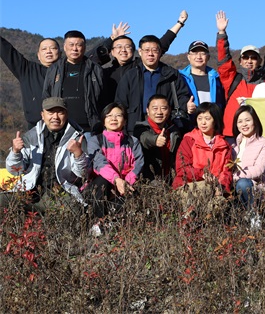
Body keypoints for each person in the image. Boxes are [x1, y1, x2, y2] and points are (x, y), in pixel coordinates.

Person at [2, 97, 87, 214]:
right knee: (2, 201)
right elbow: (15, 171)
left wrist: (78, 154)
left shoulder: (77, 137)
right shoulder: (30, 136)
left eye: (60, 112)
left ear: (66, 115)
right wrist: (15, 152)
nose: (55, 117)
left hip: (61, 194)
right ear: (42, 115)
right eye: (50, 112)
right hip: (30, 192)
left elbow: (83, 174)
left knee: (75, 211)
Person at [87, 12, 187, 108]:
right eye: (119, 47)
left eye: (127, 47)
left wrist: (179, 23)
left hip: (134, 115)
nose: (123, 50)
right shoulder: (105, 72)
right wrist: (111, 39)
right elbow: (87, 63)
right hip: (113, 116)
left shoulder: (138, 66)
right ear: (112, 51)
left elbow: (162, 44)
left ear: (135, 51)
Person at [84, 103, 144, 235]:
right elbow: (99, 163)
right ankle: (98, 221)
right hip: (100, 187)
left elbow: (138, 164)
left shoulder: (133, 142)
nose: (113, 119)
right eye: (109, 116)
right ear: (103, 120)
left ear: (125, 120)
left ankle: (114, 225)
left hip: (125, 186)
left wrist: (126, 183)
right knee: (102, 181)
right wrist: (117, 180)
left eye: (118, 115)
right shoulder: (95, 141)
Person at [115, 34, 192, 134]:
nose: (150, 54)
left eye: (154, 50)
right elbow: (120, 103)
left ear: (160, 52)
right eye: (146, 50)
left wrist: (186, 105)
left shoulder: (172, 74)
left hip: (166, 127)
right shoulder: (130, 75)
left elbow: (181, 96)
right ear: (140, 52)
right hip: (136, 128)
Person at [42, 30, 103, 133]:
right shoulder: (54, 69)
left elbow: (103, 98)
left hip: (89, 127)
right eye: (71, 45)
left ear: (84, 47)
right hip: (62, 127)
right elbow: (46, 96)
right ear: (65, 47)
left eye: (78, 45)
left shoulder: (95, 69)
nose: (74, 48)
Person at [215, 10, 264, 136]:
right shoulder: (233, 79)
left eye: (253, 58)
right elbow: (224, 60)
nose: (249, 61)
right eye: (246, 57)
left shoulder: (264, 84)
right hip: (231, 134)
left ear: (259, 61)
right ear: (240, 61)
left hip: (257, 135)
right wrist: (222, 34)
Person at [1, 34, 61, 128]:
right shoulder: (27, 70)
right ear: (38, 55)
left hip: (65, 127)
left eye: (53, 48)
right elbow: (7, 51)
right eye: (44, 49)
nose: (48, 51)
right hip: (35, 128)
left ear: (60, 53)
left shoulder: (68, 71)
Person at [173, 102, 232, 192]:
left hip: (216, 189)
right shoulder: (189, 140)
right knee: (206, 188)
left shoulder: (224, 145)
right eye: (199, 118)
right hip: (189, 187)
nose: (203, 122)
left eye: (207, 119)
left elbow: (227, 172)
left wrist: (222, 188)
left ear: (215, 120)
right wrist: (203, 174)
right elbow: (182, 168)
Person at [230, 105, 265, 227]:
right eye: (240, 121)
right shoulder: (233, 147)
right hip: (233, 186)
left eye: (247, 120)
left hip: (253, 186)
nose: (244, 124)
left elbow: (259, 170)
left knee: (243, 183)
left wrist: (234, 177)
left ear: (255, 121)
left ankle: (254, 216)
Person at [133, 94, 183, 183]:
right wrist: (155, 140)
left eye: (163, 108)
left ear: (169, 110)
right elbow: (145, 138)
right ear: (147, 110)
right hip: (150, 181)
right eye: (155, 108)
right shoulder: (140, 128)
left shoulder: (174, 129)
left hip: (172, 180)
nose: (159, 112)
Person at [179, 40, 226, 111]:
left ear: (208, 57)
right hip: (188, 117)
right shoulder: (180, 78)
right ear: (188, 56)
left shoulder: (217, 79)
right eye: (195, 53)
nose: (199, 57)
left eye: (202, 53)